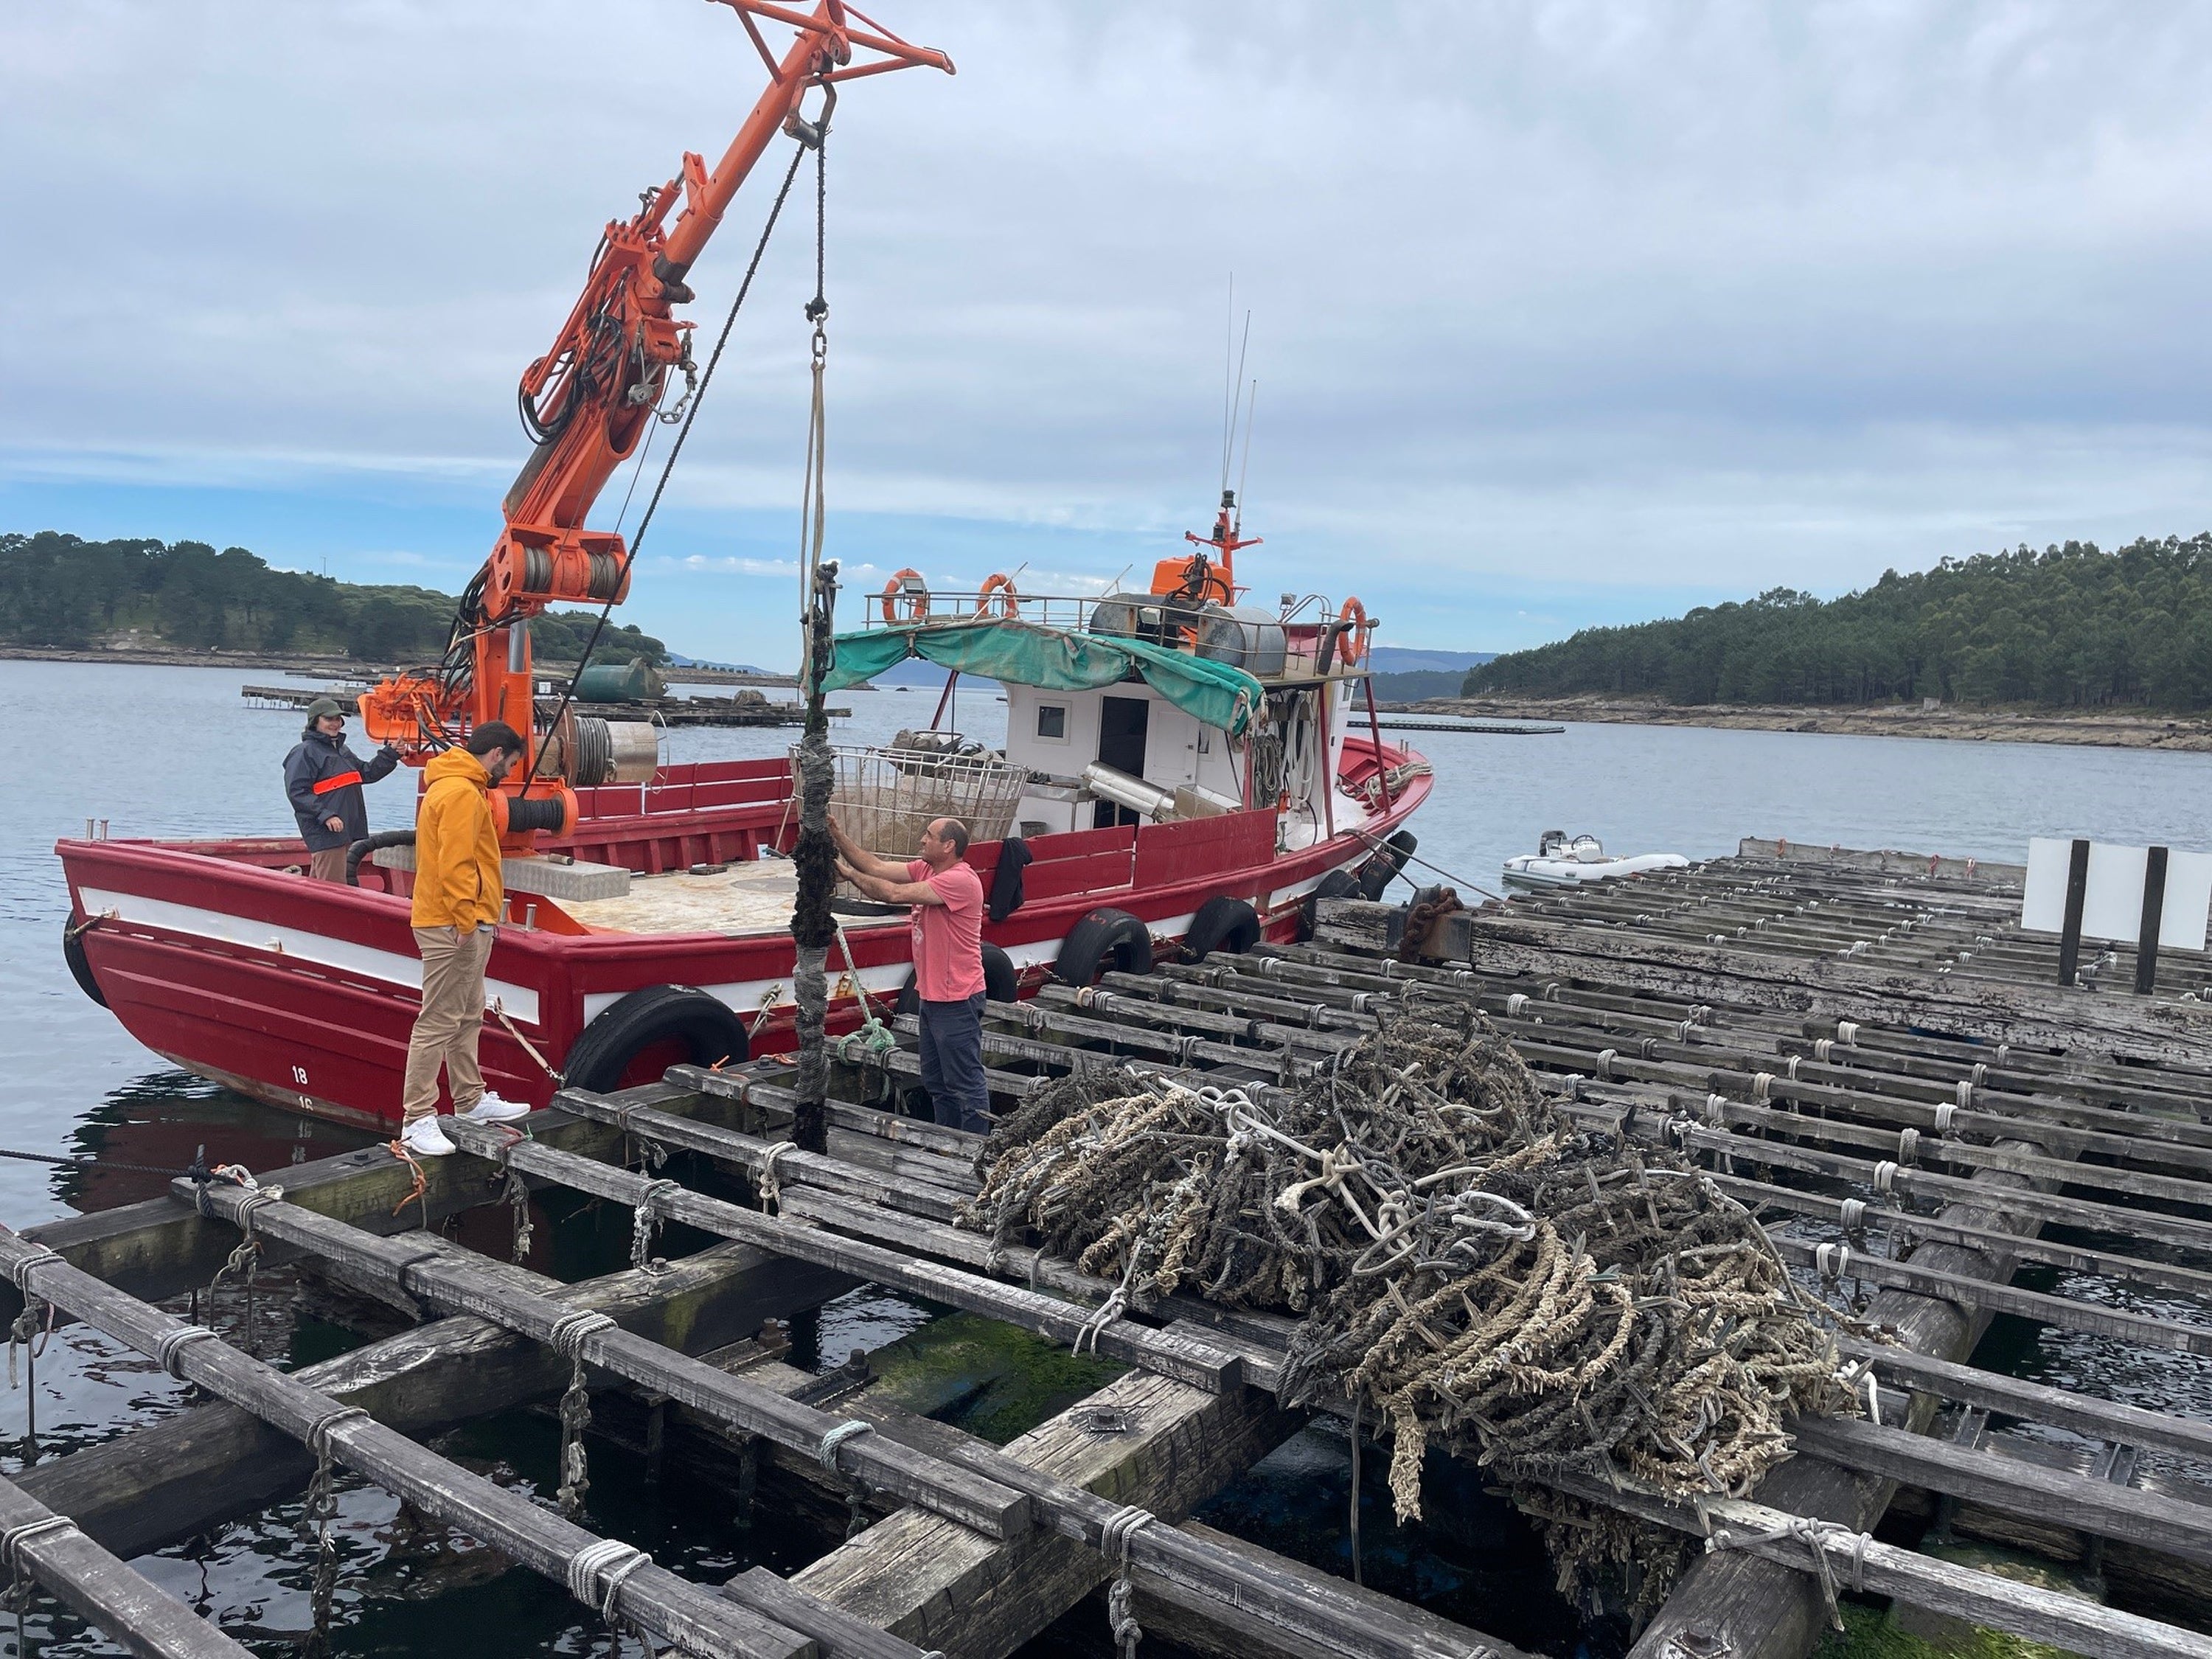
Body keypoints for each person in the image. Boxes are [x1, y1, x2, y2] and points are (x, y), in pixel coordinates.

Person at [397, 721, 532, 1156]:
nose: (508, 774)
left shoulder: (458, 786)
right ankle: (416, 1118)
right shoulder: (460, 793)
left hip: (462, 920)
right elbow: (457, 864)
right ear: (495, 754)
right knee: (438, 1019)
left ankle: (470, 1099)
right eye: (509, 764)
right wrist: (465, 921)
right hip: (452, 924)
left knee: (469, 1012)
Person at [830, 813, 990, 1133]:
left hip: (957, 998)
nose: (922, 840)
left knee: (965, 1082)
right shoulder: (927, 868)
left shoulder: (960, 880)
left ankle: (976, 1149)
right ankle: (948, 1142)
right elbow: (875, 867)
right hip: (932, 997)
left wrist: (847, 875)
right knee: (935, 1080)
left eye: (929, 836)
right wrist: (835, 832)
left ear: (949, 845)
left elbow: (893, 894)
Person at [283, 699, 403, 883]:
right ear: (315, 721)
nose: (335, 723)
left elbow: (366, 773)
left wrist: (391, 754)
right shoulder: (304, 752)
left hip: (346, 830)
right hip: (326, 833)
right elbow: (298, 793)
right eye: (329, 719)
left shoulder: (341, 751)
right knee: (332, 888)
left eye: (338, 718)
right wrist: (326, 816)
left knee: (323, 886)